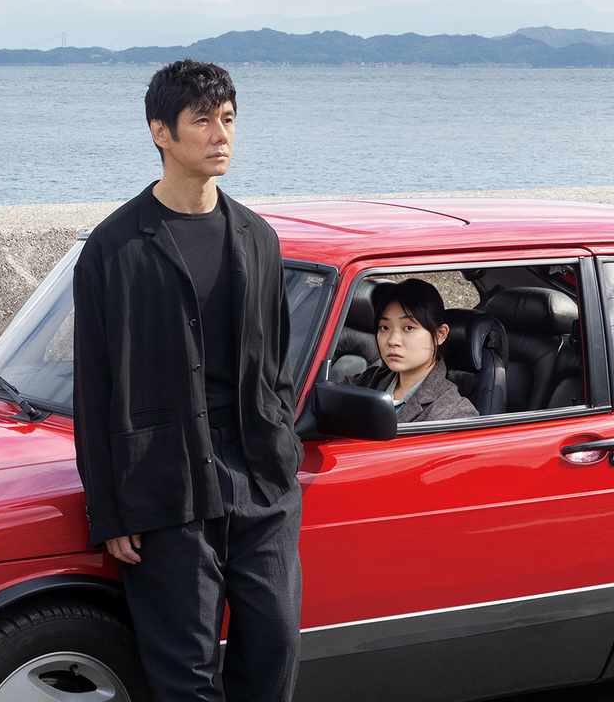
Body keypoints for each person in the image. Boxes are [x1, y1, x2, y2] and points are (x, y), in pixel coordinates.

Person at [73, 59, 303, 702]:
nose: (219, 134)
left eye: (228, 119)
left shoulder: (258, 236)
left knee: (277, 642)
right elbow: (92, 388)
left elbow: (276, 361)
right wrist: (109, 508)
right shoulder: (114, 249)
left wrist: (281, 445)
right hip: (166, 484)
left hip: (259, 475)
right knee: (186, 673)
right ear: (161, 133)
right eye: (201, 120)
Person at [343, 278, 479, 422]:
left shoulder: (454, 413)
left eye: (409, 328)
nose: (393, 341)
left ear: (440, 334)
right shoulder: (369, 380)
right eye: (384, 327)